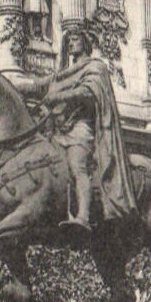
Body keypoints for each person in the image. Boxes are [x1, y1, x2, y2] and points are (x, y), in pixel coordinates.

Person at [27, 28, 137, 233]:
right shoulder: (61, 75)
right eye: (68, 41)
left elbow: (88, 92)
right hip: (57, 133)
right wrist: (0, 83)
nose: (71, 44)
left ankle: (83, 217)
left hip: (81, 128)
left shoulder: (95, 67)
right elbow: (35, 86)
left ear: (85, 43)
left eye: (75, 39)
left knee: (78, 165)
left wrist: (59, 97)